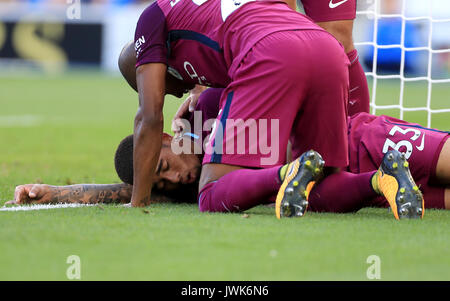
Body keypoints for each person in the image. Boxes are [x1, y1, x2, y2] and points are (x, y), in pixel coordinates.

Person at [11, 88, 450, 217]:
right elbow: (123, 194)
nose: (175, 179)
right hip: (359, 186)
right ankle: (385, 180)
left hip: (358, 139)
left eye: (164, 166)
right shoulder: (206, 184)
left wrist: (205, 85)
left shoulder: (202, 111)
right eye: (162, 182)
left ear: (166, 139)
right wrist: (53, 192)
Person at [129, 0, 351, 222]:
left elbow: (149, 116)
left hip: (271, 52)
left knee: (211, 193)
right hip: (327, 49)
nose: (176, 94)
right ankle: (379, 179)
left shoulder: (154, 19)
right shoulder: (196, 21)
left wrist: (138, 201)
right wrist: (200, 88)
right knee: (319, 189)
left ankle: (287, 172)